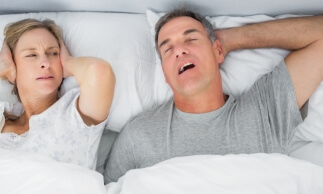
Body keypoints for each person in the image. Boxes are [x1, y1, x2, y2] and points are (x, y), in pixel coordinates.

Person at [104, 8, 323, 183]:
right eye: (168, 49)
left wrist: (230, 39)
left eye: (191, 39)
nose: (180, 50)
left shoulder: (264, 111)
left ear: (218, 52)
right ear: (165, 74)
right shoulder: (138, 135)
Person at [0, 19, 115, 170]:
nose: (46, 62)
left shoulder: (77, 113)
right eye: (31, 55)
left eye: (53, 53)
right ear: (13, 65)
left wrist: (69, 63)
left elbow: (99, 72)